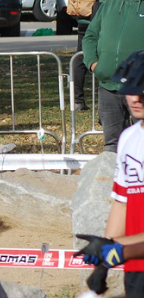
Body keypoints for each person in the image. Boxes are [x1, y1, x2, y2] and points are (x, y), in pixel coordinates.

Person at [74, 50, 144, 295]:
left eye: (142, 92)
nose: (135, 98)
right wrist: (105, 256)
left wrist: (117, 251)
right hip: (136, 267)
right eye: (130, 90)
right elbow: (122, 204)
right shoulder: (130, 138)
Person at [83, 0, 144, 152]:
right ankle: (114, 184)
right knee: (111, 146)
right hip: (108, 86)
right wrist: (94, 64)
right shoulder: (109, 3)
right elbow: (90, 35)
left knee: (140, 146)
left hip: (139, 91)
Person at [72, 0, 120, 111]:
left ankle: (77, 100)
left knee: (80, 56)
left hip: (83, 17)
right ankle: (106, 100)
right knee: (106, 57)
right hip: (102, 20)